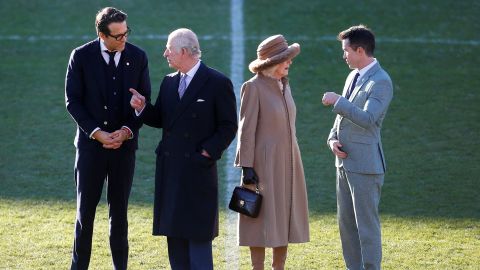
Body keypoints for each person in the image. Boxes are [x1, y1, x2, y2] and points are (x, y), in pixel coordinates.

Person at [129, 28, 237, 269]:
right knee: (175, 240)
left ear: (185, 52)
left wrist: (208, 152)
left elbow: (228, 126)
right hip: (171, 171)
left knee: (198, 240)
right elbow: (163, 119)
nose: (165, 53)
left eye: (169, 49)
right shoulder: (169, 82)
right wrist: (142, 107)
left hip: (197, 171)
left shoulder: (217, 83)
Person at [65, 7, 151, 270]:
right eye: (118, 36)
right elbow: (73, 101)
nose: (123, 39)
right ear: (102, 35)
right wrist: (97, 133)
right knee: (85, 215)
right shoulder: (80, 57)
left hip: (123, 149)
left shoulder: (138, 57)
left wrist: (126, 130)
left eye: (126, 33)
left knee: (120, 214)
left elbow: (143, 102)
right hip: (91, 149)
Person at [234, 34, 310, 270]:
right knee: (258, 220)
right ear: (272, 62)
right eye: (286, 59)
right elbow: (246, 130)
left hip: (288, 163)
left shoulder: (284, 85)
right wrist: (246, 166)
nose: (290, 63)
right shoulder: (253, 87)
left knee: (284, 217)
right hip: (262, 166)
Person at [322, 25, 393, 270]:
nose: (344, 56)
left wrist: (339, 101)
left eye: (346, 51)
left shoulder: (381, 82)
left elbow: (367, 118)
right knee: (347, 225)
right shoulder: (353, 75)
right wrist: (332, 138)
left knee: (366, 226)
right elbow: (341, 119)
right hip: (344, 162)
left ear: (360, 50)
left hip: (365, 166)